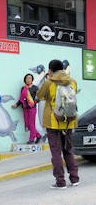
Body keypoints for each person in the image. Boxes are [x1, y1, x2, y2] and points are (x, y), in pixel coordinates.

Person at [37, 60, 79, 189]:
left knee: (56, 152)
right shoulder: (72, 81)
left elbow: (40, 96)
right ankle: (74, 179)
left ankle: (60, 182)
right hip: (69, 121)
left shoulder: (49, 82)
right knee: (68, 150)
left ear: (50, 70)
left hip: (53, 121)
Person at [12, 74, 42, 144]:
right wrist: (16, 104)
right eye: (27, 78)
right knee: (28, 125)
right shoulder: (23, 88)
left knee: (32, 124)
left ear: (32, 79)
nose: (28, 80)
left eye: (30, 78)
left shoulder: (35, 88)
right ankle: (38, 135)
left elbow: (40, 97)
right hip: (25, 108)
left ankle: (32, 139)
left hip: (32, 108)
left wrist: (34, 102)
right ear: (25, 80)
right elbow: (21, 98)